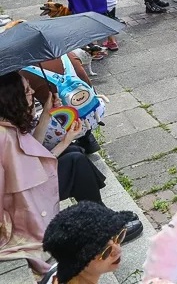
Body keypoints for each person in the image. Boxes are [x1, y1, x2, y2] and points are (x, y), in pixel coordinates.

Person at [0, 71, 141, 275]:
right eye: (27, 90)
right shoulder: (3, 137)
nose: (32, 92)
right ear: (12, 98)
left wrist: (48, 115)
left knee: (74, 151)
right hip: (26, 205)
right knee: (75, 160)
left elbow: (33, 154)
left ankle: (100, 216)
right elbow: (33, 168)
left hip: (33, 190)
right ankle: (101, 227)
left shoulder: (8, 124)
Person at [43, 202, 177, 284]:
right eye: (104, 251)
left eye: (117, 237)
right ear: (78, 264)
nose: (117, 250)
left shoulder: (59, 271)